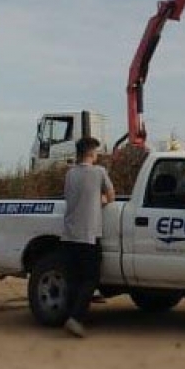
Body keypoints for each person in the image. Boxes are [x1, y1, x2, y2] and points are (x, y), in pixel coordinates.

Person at [62, 137, 115, 337]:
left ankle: (68, 316)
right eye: (96, 152)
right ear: (91, 153)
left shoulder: (70, 174)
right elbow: (111, 196)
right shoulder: (99, 172)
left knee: (74, 279)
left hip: (69, 235)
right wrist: (99, 199)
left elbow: (68, 196)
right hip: (89, 235)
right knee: (90, 279)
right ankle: (75, 319)